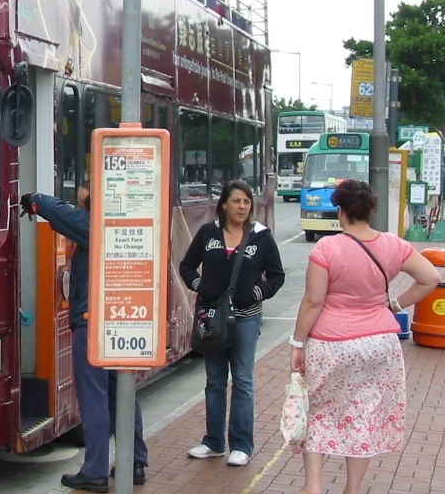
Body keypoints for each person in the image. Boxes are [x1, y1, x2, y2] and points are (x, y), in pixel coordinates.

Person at [289, 179, 439, 494]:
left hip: (332, 342)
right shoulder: (394, 245)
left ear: (340, 211)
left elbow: (314, 301)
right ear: (371, 209)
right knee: (363, 412)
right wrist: (396, 303)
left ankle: (313, 485)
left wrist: (297, 343)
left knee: (320, 408)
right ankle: (352, 489)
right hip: (380, 342)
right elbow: (431, 278)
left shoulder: (327, 247)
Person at [21, 186, 148, 491]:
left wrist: (35, 201)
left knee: (94, 397)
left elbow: (63, 215)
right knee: (121, 392)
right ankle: (135, 461)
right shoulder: (124, 224)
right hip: (116, 319)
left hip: (92, 322)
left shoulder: (98, 223)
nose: (80, 188)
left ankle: (95, 471)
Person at [179, 179, 285, 467]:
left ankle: (241, 445)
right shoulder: (208, 234)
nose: (242, 206)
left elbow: (276, 276)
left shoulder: (261, 236)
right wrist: (199, 285)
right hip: (212, 318)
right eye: (236, 201)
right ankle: (213, 442)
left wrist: (256, 293)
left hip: (245, 320)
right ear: (223, 204)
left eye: (246, 202)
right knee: (214, 381)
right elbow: (186, 266)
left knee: (243, 380)